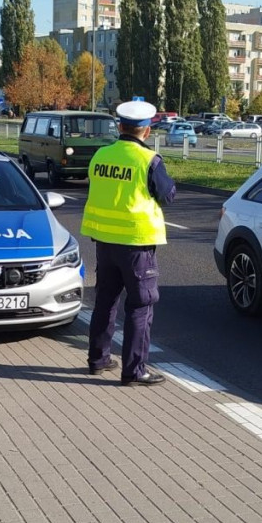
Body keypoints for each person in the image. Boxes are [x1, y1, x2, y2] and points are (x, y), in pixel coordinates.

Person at [82, 98, 176, 386]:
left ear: (119, 126)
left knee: (106, 301)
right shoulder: (148, 160)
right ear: (146, 131)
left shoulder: (101, 155)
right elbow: (167, 195)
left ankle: (98, 360)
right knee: (141, 305)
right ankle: (134, 370)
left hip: (104, 242)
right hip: (136, 245)